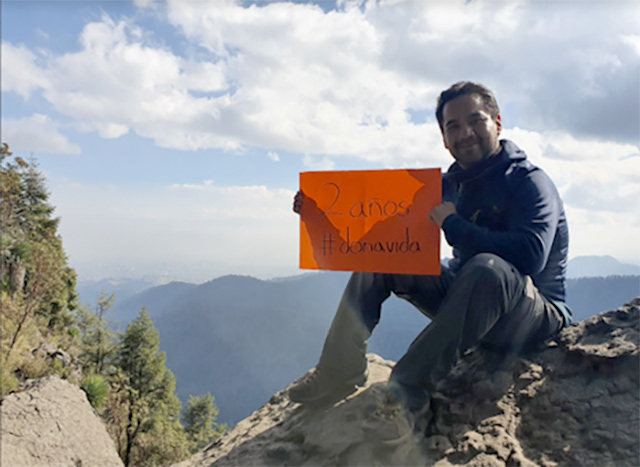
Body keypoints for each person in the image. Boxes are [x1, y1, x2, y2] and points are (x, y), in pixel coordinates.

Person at [289, 81, 571, 444]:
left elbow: (532, 255)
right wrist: (318, 216)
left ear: (497, 123)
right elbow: (372, 238)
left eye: (475, 120)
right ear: (443, 138)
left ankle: (404, 399)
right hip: (472, 304)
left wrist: (455, 226)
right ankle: (339, 370)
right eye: (452, 126)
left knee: (488, 268)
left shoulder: (529, 181)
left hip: (533, 315)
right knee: (383, 257)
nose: (464, 132)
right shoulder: (446, 185)